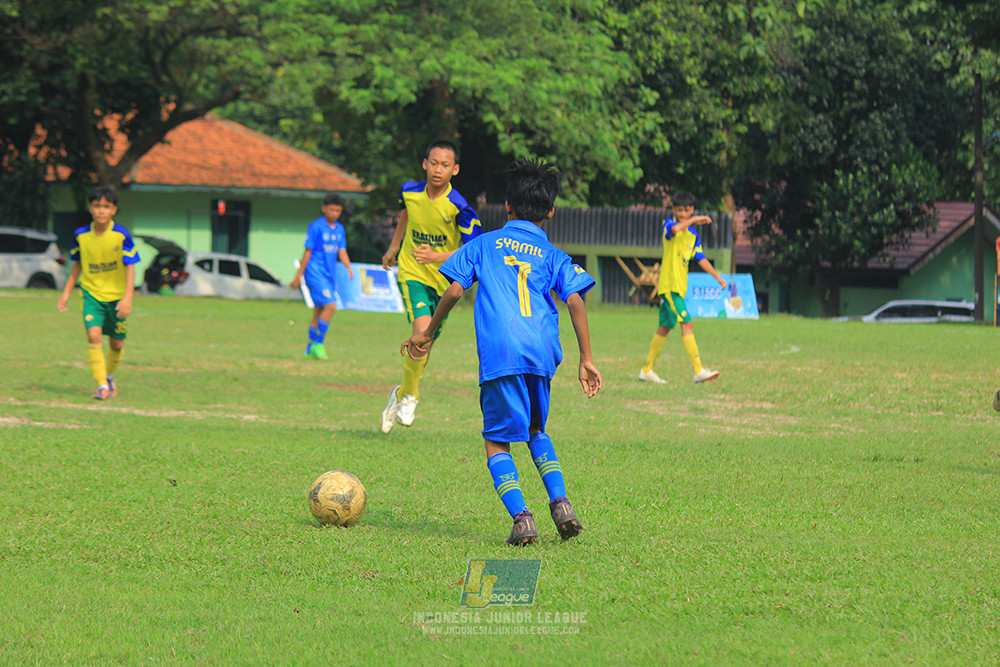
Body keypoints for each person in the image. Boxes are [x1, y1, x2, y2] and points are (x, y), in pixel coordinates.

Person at [402, 159, 602, 546]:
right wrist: (586, 358)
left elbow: (456, 289)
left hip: (501, 351)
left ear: (507, 207)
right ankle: (560, 503)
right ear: (550, 212)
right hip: (543, 351)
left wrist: (425, 333)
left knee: (497, 440)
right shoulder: (554, 254)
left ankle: (523, 518)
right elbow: (575, 300)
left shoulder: (483, 243)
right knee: (536, 430)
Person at [380, 140, 481, 432]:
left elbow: (472, 248)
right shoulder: (409, 191)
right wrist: (394, 246)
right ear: (425, 164)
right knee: (420, 333)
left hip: (446, 283)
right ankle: (411, 396)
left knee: (426, 342)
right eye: (434, 163)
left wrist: (437, 256)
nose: (438, 169)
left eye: (445, 165)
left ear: (455, 169)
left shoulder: (459, 206)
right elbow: (407, 215)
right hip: (413, 273)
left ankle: (399, 394)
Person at [57, 186, 140, 400]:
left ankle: (109, 376)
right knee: (93, 336)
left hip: (117, 297)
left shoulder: (121, 235)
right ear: (90, 208)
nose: (101, 211)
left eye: (106, 207)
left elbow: (131, 266)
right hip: (91, 294)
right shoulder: (81, 235)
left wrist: (128, 298)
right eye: (97, 206)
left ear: (113, 210)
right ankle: (102, 385)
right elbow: (77, 265)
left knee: (116, 343)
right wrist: (66, 293)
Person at [638, 190, 727, 385]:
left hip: (679, 287)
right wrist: (694, 219)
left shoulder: (693, 235)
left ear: (692, 209)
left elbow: (701, 258)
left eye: (687, 210)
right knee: (687, 323)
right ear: (674, 210)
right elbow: (676, 230)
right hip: (670, 287)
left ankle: (646, 370)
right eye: (680, 210)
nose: (684, 214)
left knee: (664, 327)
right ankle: (698, 371)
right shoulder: (669, 225)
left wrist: (717, 276)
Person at [291, 193, 354, 360]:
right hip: (314, 272)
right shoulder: (316, 227)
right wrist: (298, 275)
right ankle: (318, 344)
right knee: (331, 306)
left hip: (329, 274)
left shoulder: (339, 229)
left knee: (319, 310)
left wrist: (348, 266)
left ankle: (309, 348)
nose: (334, 213)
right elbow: (307, 251)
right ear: (324, 208)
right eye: (331, 209)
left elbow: (342, 250)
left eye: (338, 210)